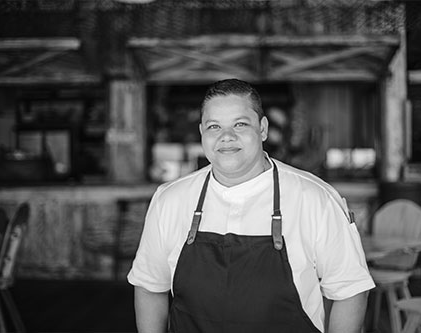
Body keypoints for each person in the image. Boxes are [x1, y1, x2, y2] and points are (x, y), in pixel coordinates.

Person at [128, 78, 375, 333]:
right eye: (214, 126)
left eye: (240, 124)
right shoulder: (169, 200)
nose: (227, 136)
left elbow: (350, 291)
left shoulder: (315, 198)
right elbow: (149, 286)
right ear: (202, 132)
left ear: (263, 129)